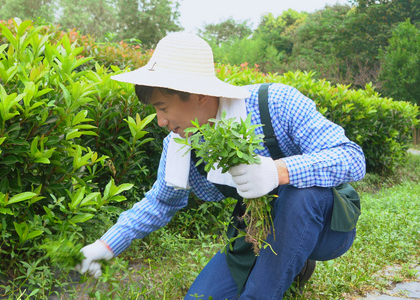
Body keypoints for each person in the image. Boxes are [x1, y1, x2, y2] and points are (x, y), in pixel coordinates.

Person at [75, 32, 366, 299]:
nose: (160, 122)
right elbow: (161, 203)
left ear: (200, 94)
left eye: (163, 108)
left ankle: (281, 272)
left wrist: (279, 171)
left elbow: (352, 157)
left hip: (327, 229)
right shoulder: (178, 143)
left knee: (300, 195)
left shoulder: (275, 103)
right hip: (256, 230)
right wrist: (107, 245)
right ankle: (291, 265)